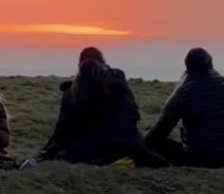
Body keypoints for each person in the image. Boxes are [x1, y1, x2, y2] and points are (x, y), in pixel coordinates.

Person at [38, 46, 167, 168]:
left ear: (79, 66)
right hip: (126, 150)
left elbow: (61, 133)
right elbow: (133, 117)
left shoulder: (71, 94)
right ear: (104, 63)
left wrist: (46, 152)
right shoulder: (120, 86)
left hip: (86, 154)